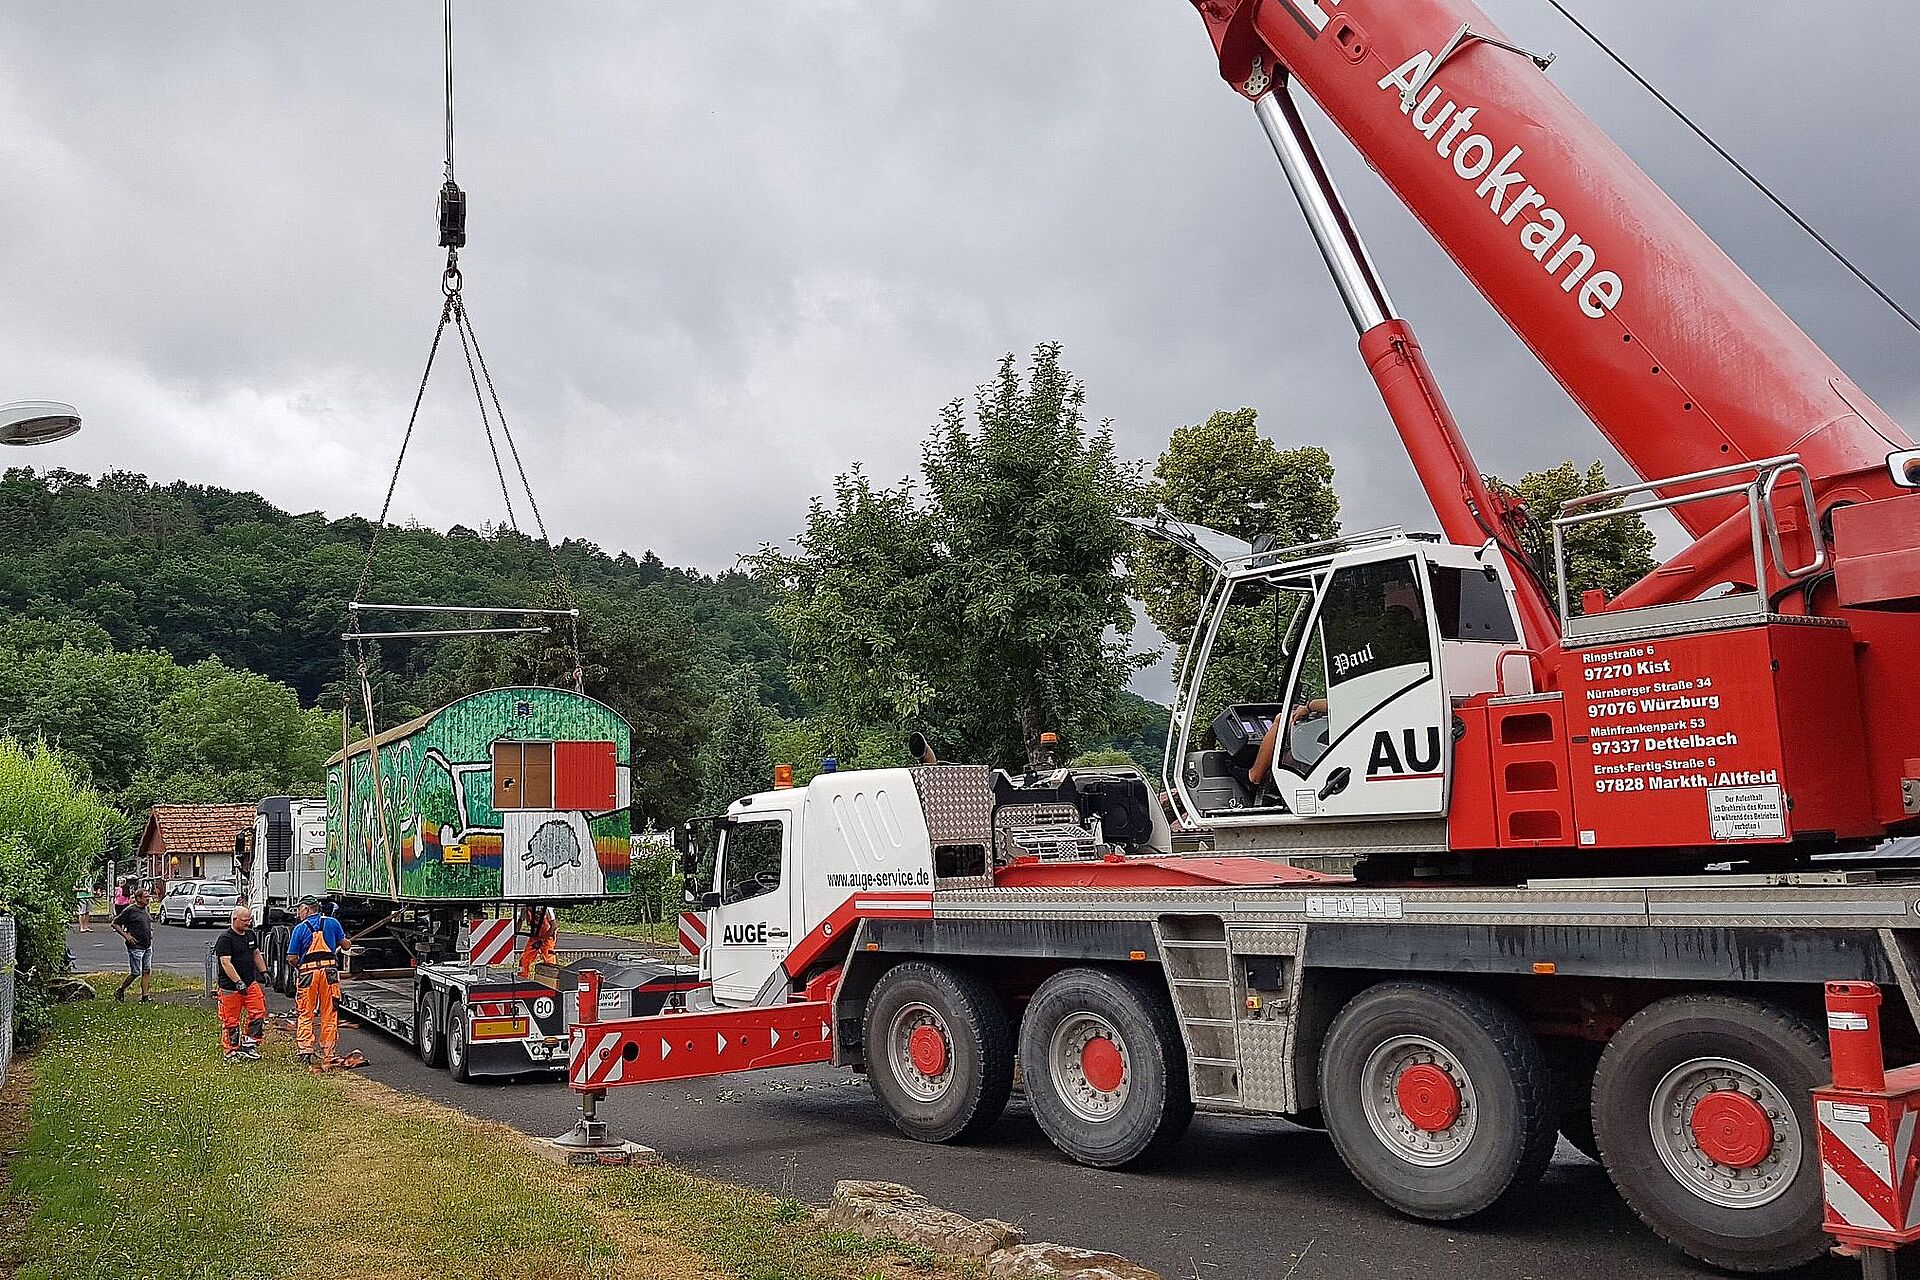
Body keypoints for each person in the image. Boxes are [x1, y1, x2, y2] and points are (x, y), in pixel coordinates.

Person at [288, 897, 345, 1064]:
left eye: (299, 910)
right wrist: (345, 943)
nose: (298, 914)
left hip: (308, 975)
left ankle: (305, 1051)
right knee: (329, 1012)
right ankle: (329, 1053)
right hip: (329, 974)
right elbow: (345, 945)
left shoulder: (299, 929)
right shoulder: (333, 923)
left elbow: (292, 957)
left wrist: (299, 966)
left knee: (306, 1011)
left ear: (307, 909)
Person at [214, 906, 269, 1062]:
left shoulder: (250, 935)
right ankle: (231, 1050)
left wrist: (263, 971)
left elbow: (256, 953)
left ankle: (250, 1044)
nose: (248, 923)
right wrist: (237, 982)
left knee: (258, 1011)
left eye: (249, 920)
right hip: (230, 988)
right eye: (245, 920)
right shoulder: (225, 938)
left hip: (250, 983)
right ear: (235, 919)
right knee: (230, 1020)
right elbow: (225, 963)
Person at [111, 888, 154, 1002]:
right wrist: (127, 936)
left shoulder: (145, 909)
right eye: (146, 897)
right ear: (138, 898)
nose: (148, 899)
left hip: (147, 945)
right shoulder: (130, 910)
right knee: (136, 972)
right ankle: (121, 990)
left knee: (146, 970)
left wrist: (150, 932)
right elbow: (115, 923)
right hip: (136, 947)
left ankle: (145, 996)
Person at [516, 904, 557, 978]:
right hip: (534, 938)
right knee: (524, 960)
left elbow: (553, 926)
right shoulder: (525, 908)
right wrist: (515, 934)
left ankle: (552, 981)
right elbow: (520, 920)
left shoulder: (547, 908)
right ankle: (521, 979)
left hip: (547, 938)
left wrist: (542, 940)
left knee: (550, 962)